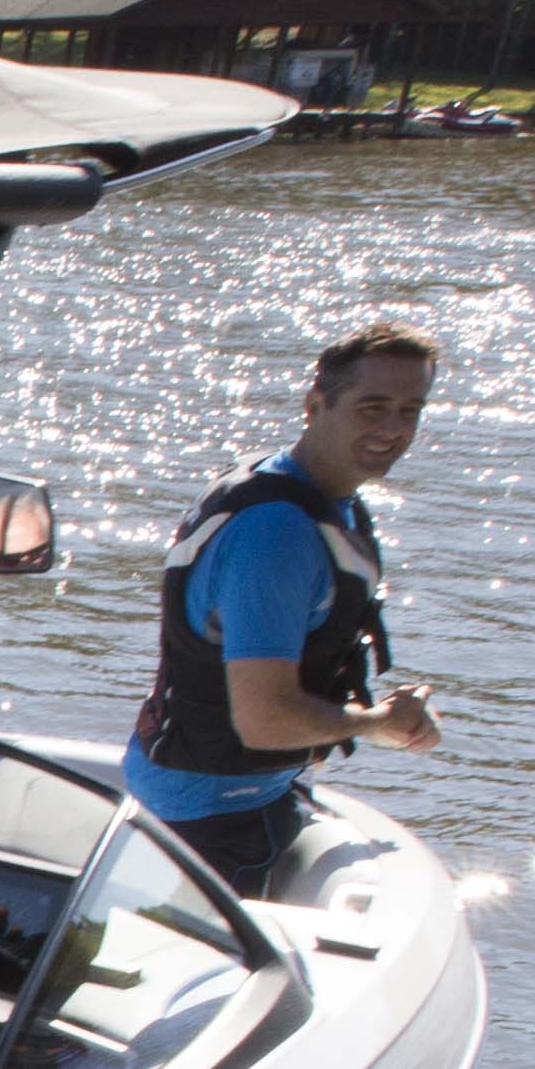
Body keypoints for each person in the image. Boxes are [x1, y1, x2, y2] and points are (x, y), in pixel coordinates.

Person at [126, 321, 449, 890]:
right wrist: (379, 725)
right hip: (210, 822)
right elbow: (264, 719)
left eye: (410, 410)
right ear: (315, 404)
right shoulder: (277, 535)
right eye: (372, 407)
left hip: (229, 794)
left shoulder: (302, 488)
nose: (393, 429)